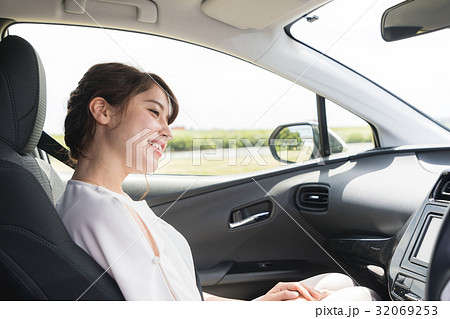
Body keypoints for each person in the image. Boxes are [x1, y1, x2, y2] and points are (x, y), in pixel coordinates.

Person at [56, 62, 378, 301]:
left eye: (167, 120)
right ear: (102, 110)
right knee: (360, 298)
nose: (167, 131)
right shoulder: (102, 213)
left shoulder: (106, 200)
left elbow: (182, 295)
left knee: (337, 283)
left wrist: (257, 305)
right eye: (154, 112)